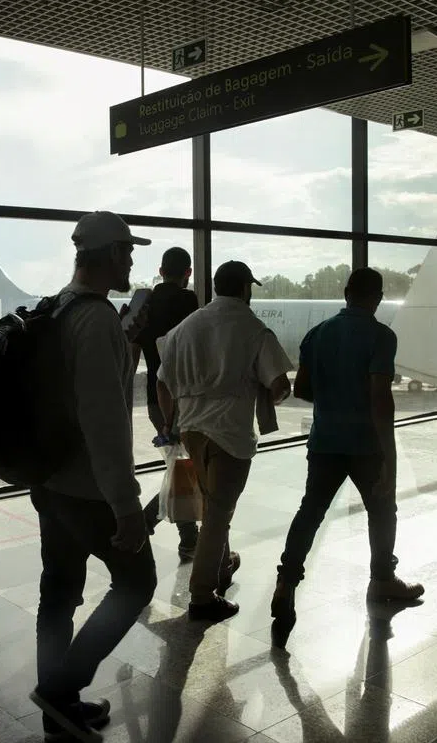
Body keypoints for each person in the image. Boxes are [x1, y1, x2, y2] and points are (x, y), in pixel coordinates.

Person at [29, 211, 158, 743]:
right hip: (88, 490)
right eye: (126, 252)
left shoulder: (58, 308)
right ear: (107, 255)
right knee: (135, 584)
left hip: (49, 481)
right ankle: (61, 689)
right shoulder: (96, 318)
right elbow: (104, 423)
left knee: (58, 592)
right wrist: (126, 508)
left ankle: (57, 710)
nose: (131, 260)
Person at [271, 268, 424, 633]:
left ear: (345, 293)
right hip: (365, 445)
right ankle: (382, 580)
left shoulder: (317, 334)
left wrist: (334, 392)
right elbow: (380, 400)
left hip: (324, 440)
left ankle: (286, 581)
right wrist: (391, 457)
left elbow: (303, 390)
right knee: (382, 510)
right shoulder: (381, 337)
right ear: (378, 297)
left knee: (310, 511)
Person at [156, 261, 293, 622]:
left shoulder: (186, 328)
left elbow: (162, 381)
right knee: (218, 513)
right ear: (246, 288)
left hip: (191, 430)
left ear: (216, 286)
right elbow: (280, 386)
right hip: (230, 433)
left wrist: (170, 422)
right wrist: (269, 395)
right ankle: (202, 596)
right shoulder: (253, 328)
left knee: (214, 506)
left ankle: (220, 566)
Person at [131, 247, 202, 560]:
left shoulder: (144, 302)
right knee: (182, 468)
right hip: (184, 396)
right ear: (187, 273)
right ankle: (145, 523)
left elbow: (133, 349)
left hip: (154, 396)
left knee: (178, 467)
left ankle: (188, 539)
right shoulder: (189, 301)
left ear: (160, 271)